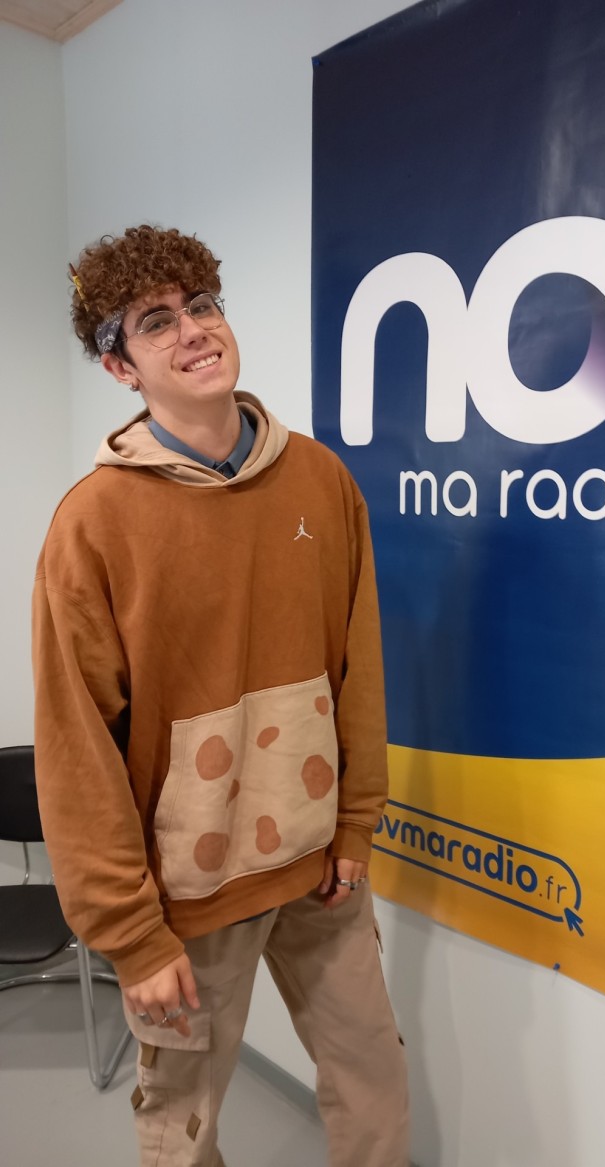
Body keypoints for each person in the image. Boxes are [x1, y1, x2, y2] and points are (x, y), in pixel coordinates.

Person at [32, 225, 409, 1167]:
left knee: (375, 1082)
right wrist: (130, 934)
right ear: (121, 367)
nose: (193, 329)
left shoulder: (320, 478)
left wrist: (355, 825)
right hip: (188, 899)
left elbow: (358, 666)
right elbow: (77, 750)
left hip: (320, 867)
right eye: (156, 321)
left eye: (200, 305)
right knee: (182, 1126)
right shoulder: (94, 524)